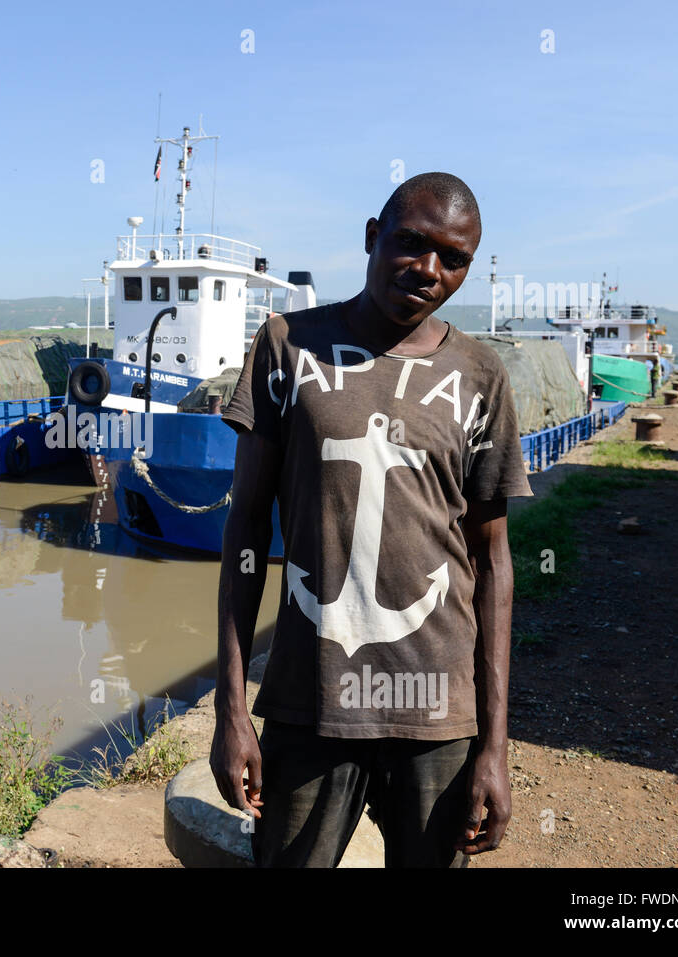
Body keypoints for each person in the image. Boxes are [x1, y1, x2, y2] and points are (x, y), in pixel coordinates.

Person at [212, 172, 532, 868]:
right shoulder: (285, 345)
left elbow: (492, 562)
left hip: (438, 712)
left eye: (454, 258)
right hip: (309, 700)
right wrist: (231, 709)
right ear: (371, 237)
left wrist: (494, 745)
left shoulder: (482, 375)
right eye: (411, 244)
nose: (429, 270)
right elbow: (244, 532)